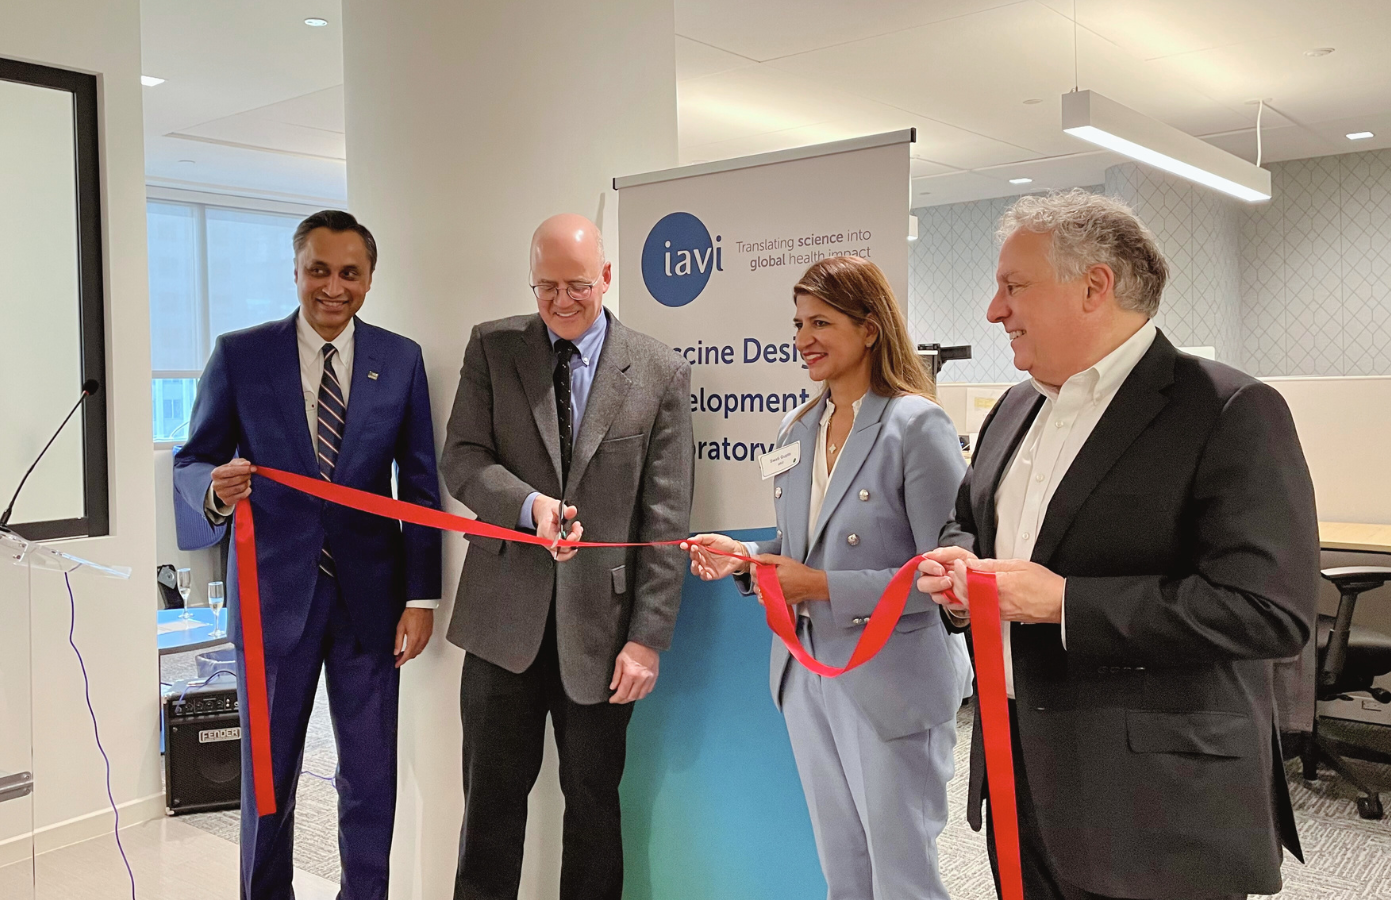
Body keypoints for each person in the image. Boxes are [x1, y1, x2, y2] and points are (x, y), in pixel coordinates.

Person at [916, 190, 1318, 900]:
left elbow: (1267, 612)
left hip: (1155, 808)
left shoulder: (1227, 409)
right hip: (1020, 780)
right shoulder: (1016, 406)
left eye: (1013, 287)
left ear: (1094, 286)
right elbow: (969, 524)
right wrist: (960, 568)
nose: (992, 311)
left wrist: (1065, 604)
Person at [173, 210, 442, 900]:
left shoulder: (401, 359)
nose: (332, 286)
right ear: (296, 272)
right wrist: (213, 490)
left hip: (372, 606)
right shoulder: (241, 356)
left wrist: (422, 596)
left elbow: (417, 485)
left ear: (369, 280)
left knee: (369, 779)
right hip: (271, 601)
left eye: (348, 273)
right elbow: (194, 458)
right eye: (318, 270)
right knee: (268, 780)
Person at [685, 255, 972, 900]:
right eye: (798, 324)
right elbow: (798, 548)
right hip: (806, 672)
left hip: (890, 676)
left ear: (870, 328)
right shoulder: (797, 427)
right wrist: (745, 558)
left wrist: (818, 587)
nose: (803, 339)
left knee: (904, 876)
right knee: (843, 872)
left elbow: (943, 574)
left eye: (822, 322)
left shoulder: (916, 425)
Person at [441, 213, 693, 900]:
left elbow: (667, 519)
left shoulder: (660, 371)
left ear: (606, 278)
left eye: (577, 285)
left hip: (604, 635)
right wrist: (528, 507)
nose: (561, 301)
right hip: (500, 627)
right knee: (489, 813)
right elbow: (461, 459)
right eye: (546, 286)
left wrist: (646, 640)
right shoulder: (493, 349)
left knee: (592, 811)